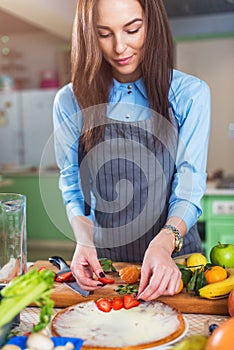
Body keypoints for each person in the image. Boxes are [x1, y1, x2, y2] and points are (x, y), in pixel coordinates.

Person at [53, 0, 211, 301]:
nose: (120, 47)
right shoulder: (69, 101)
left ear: (151, 25)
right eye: (104, 33)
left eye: (132, 29)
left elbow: (189, 186)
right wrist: (84, 241)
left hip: (175, 260)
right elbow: (72, 182)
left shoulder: (191, 94)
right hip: (109, 266)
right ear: (88, 35)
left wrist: (164, 243)